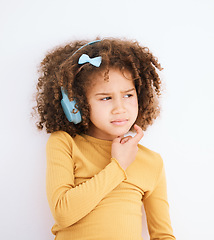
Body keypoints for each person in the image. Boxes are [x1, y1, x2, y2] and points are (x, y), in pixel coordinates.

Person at [34, 38, 176, 240]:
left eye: (128, 95)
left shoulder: (152, 162)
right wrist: (118, 167)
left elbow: (163, 235)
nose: (120, 108)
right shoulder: (65, 143)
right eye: (106, 98)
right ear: (78, 103)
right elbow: (63, 213)